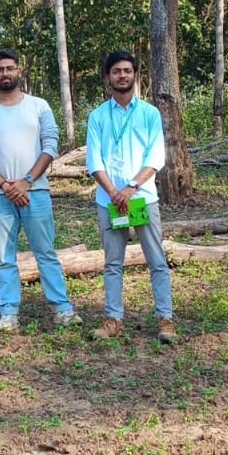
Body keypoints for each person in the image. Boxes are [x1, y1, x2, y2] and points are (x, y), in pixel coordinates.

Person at [0, 49, 77, 331]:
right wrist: (6, 185)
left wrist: (26, 181)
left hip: (35, 192)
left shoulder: (38, 106)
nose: (5, 73)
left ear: (19, 71)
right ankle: (8, 312)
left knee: (46, 251)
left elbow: (50, 145)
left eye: (10, 68)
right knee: (5, 257)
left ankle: (62, 308)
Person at [84, 51, 176, 344]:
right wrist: (114, 192)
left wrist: (131, 188)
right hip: (109, 201)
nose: (122, 75)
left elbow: (156, 156)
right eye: (116, 71)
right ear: (108, 77)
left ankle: (165, 318)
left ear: (136, 74)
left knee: (156, 259)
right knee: (113, 262)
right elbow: (94, 160)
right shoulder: (97, 116)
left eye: (127, 70)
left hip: (143, 198)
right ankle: (113, 319)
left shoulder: (149, 113)